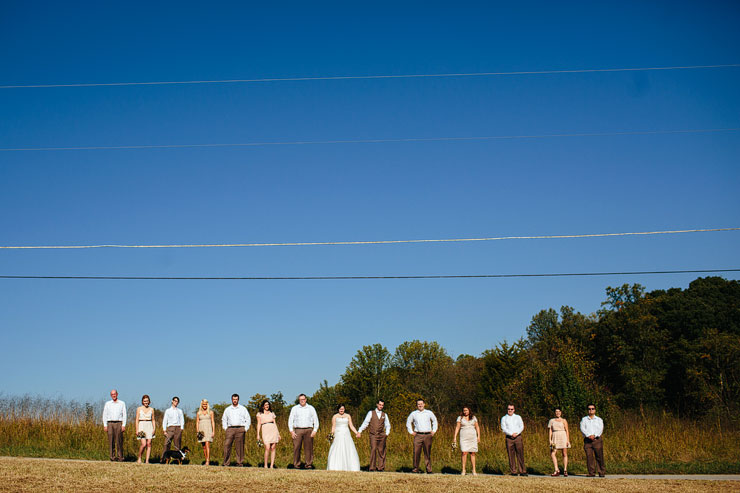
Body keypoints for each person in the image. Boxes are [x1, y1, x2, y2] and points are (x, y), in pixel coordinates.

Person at [357, 399, 391, 472]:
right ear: (377, 404)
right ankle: (372, 467)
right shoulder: (371, 413)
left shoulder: (385, 415)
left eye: (382, 405)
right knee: (373, 449)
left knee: (381, 451)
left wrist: (386, 433)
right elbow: (366, 423)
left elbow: (388, 425)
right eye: (380, 405)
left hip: (382, 435)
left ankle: (381, 468)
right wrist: (360, 431)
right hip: (373, 435)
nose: (381, 406)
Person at [406, 398, 438, 474]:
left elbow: (434, 421)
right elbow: (408, 422)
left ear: (424, 404)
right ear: (417, 405)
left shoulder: (429, 413)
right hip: (418, 435)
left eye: (421, 404)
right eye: (418, 404)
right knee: (416, 452)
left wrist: (434, 431)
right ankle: (415, 469)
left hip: (427, 435)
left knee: (427, 453)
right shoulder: (413, 414)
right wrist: (411, 431)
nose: (420, 405)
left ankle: (429, 470)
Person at [288, 394, 319, 469]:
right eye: (300, 399)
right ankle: (296, 464)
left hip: (309, 429)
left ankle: (308, 464)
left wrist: (315, 430)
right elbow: (290, 420)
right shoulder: (295, 408)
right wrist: (291, 431)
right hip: (298, 429)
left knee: (309, 448)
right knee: (296, 447)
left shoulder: (311, 408)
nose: (302, 401)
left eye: (303, 399)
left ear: (306, 399)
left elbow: (316, 419)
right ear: (299, 400)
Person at [326, 404, 361, 471]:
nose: (341, 410)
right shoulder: (335, 416)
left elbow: (351, 426)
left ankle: (350, 467)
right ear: (338, 409)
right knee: (337, 449)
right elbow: (333, 426)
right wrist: (331, 435)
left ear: (344, 409)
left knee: (348, 449)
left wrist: (357, 432)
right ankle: (335, 466)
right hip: (338, 434)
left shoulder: (348, 416)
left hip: (346, 434)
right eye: (340, 409)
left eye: (343, 409)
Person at [221, 393, 251, 466]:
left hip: (240, 429)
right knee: (227, 445)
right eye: (233, 399)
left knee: (239, 447)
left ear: (238, 400)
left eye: (236, 399)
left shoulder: (243, 409)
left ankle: (239, 462)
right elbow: (224, 419)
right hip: (230, 429)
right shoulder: (227, 409)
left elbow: (248, 419)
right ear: (231, 400)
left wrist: (245, 429)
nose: (235, 401)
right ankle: (226, 463)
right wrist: (225, 428)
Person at [453, 405, 480, 476]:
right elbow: (457, 427)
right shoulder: (460, 418)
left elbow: (477, 427)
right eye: (464, 410)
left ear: (469, 411)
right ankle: (463, 470)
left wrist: (478, 436)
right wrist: (455, 437)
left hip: (472, 437)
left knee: (473, 453)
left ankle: (474, 470)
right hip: (464, 437)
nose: (465, 412)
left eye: (466, 410)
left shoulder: (474, 418)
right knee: (464, 452)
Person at [500, 403, 526, 476]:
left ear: (514, 410)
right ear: (507, 409)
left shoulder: (518, 417)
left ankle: (522, 471)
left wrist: (516, 433)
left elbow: (521, 426)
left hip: (518, 437)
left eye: (511, 409)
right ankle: (513, 471)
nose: (510, 410)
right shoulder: (504, 418)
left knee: (520, 454)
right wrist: (511, 434)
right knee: (511, 455)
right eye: (509, 409)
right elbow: (503, 428)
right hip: (509, 438)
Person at [580, 404, 605, 477]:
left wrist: (595, 435)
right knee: (589, 456)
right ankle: (591, 472)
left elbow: (600, 429)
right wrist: (588, 435)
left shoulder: (599, 419)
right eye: (589, 409)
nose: (591, 410)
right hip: (587, 440)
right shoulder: (584, 419)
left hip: (597, 440)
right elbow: (582, 428)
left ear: (595, 410)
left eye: (592, 409)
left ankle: (601, 472)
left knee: (599, 456)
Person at [102, 389, 126, 462]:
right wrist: (105, 425)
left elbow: (124, 414)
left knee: (119, 441)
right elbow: (104, 414)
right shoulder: (108, 403)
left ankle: (120, 457)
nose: (114, 395)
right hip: (110, 423)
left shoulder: (122, 403)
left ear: (117, 394)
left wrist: (123, 425)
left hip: (119, 423)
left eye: (115, 394)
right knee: (111, 441)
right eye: (112, 394)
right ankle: (112, 457)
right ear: (110, 395)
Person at [256, 399, 281, 469]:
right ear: (263, 406)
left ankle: (272, 465)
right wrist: (258, 434)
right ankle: (265, 465)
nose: (267, 406)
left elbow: (275, 423)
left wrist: (278, 433)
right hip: (265, 430)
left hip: (273, 430)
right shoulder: (259, 414)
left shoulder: (272, 413)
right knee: (267, 447)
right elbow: (258, 424)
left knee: (273, 447)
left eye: (268, 404)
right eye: (265, 405)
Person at [547, 407, 571, 476]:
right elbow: (550, 430)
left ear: (561, 412)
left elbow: (567, 430)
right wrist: (550, 440)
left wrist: (567, 440)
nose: (558, 413)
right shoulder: (551, 421)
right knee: (553, 453)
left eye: (559, 411)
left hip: (563, 436)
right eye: (556, 411)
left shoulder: (564, 420)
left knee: (564, 453)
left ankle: (565, 470)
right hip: (555, 436)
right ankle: (556, 469)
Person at [161, 396, 185, 462]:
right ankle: (163, 459)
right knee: (166, 443)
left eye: (177, 401)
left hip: (178, 428)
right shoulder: (168, 411)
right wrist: (164, 429)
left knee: (177, 445)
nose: (176, 402)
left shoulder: (180, 411)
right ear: (172, 401)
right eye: (175, 401)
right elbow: (165, 420)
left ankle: (178, 460)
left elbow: (182, 419)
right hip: (170, 428)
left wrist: (181, 428)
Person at [135, 394, 156, 464]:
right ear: (142, 402)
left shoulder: (152, 409)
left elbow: (153, 419)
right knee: (143, 444)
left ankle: (147, 460)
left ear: (149, 401)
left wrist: (154, 428)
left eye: (147, 401)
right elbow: (137, 419)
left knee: (149, 443)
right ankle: (139, 457)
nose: (146, 402)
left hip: (149, 425)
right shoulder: (139, 409)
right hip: (141, 426)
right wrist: (136, 429)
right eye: (144, 401)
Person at [196, 399, 215, 466]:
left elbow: (213, 421)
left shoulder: (211, 412)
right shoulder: (198, 413)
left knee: (207, 444)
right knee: (203, 446)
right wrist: (197, 431)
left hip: (208, 429)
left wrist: (213, 431)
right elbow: (197, 422)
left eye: (206, 404)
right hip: (201, 430)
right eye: (203, 404)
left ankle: (208, 461)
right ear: (201, 405)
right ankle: (206, 458)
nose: (204, 406)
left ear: (207, 405)